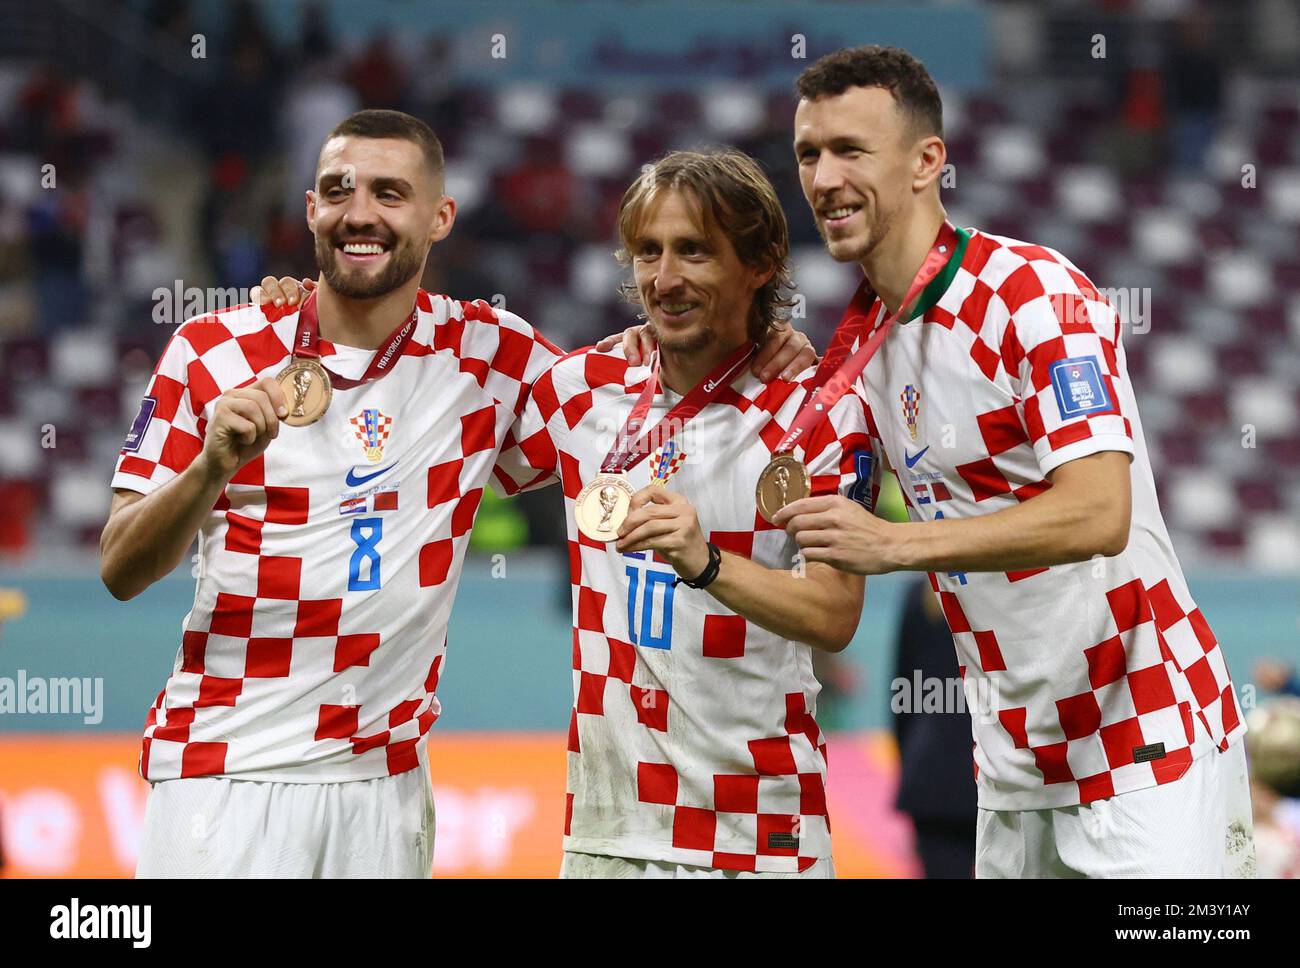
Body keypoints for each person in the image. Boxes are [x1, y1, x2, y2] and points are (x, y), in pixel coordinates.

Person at [99, 107, 817, 878]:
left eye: (389, 193)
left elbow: (634, 400)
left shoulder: (488, 355)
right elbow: (120, 567)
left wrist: (757, 341)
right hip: (224, 774)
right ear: (310, 209)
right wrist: (210, 468)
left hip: (386, 789)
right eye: (338, 191)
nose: (360, 213)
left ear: (440, 216)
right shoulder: (213, 349)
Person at [261, 149, 867, 879]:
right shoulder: (582, 389)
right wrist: (312, 319)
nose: (665, 279)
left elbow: (834, 614)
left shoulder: (819, 414)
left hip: (761, 834)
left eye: (695, 252)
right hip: (605, 837)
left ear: (761, 263)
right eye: (649, 251)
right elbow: (404, 423)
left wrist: (705, 562)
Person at [769, 45, 1254, 878]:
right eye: (810, 153)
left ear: (928, 162)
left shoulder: (1033, 296)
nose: (823, 177)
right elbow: (827, 599)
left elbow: (1100, 511)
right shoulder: (856, 359)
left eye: (851, 150)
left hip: (1147, 740)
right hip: (1011, 766)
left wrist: (898, 546)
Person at [891, 577, 977, 878]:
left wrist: (907, 761)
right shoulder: (999, 589)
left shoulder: (920, 594)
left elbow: (903, 690)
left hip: (930, 771)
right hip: (992, 763)